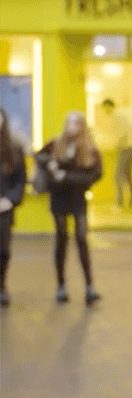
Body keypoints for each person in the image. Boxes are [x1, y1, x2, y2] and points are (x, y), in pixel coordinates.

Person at [35, 111, 103, 305]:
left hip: (78, 200)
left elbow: (93, 176)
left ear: (82, 126)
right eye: (69, 122)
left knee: (82, 239)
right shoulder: (55, 145)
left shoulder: (89, 150)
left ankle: (89, 287)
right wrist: (51, 165)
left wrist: (65, 176)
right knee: (61, 239)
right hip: (59, 200)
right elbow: (39, 157)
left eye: (76, 122)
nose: (71, 126)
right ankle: (61, 285)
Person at [0, 107, 28, 308]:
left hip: (4, 210)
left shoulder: (14, 149)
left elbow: (20, 181)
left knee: (3, 251)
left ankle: (1, 286)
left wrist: (9, 200)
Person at [101, 98, 132, 209]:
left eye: (105, 108)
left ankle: (120, 202)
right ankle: (131, 201)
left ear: (108, 106)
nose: (105, 111)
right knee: (128, 175)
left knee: (119, 175)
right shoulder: (121, 114)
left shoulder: (117, 115)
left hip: (127, 147)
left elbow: (122, 133)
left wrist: (114, 145)